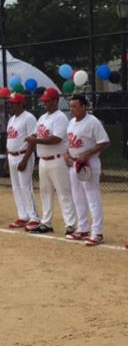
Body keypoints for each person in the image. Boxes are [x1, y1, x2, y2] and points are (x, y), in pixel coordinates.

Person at [24, 88, 77, 235]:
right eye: (44, 101)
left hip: (57, 159)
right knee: (45, 192)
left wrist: (36, 140)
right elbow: (36, 133)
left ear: (56, 101)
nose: (45, 103)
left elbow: (56, 138)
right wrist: (32, 137)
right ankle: (46, 223)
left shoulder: (60, 117)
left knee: (63, 192)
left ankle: (70, 224)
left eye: (48, 101)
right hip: (43, 161)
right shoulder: (43, 118)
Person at [64, 95, 110, 246]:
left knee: (92, 198)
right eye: (71, 106)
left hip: (89, 164)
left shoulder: (92, 122)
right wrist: (66, 154)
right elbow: (69, 143)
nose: (72, 109)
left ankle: (97, 232)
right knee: (77, 197)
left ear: (84, 106)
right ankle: (83, 228)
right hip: (74, 164)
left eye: (75, 106)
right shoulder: (71, 122)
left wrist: (87, 154)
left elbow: (104, 142)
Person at [4, 93, 39, 229]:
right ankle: (23, 216)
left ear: (21, 104)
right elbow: (9, 140)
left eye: (13, 103)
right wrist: (7, 159)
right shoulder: (12, 119)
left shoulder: (29, 118)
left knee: (25, 187)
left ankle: (34, 217)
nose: (11, 106)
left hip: (23, 155)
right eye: (11, 103)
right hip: (12, 156)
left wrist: (25, 160)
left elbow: (32, 141)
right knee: (16, 187)